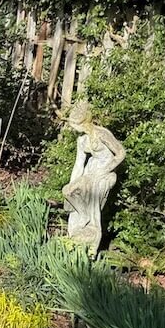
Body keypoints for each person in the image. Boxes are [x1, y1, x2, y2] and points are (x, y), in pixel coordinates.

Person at [62, 101, 126, 255]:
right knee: (67, 191)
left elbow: (121, 153)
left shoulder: (102, 134)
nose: (72, 127)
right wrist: (73, 183)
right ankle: (82, 216)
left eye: (73, 124)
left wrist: (104, 170)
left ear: (83, 122)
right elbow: (78, 165)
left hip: (104, 174)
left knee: (93, 197)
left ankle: (91, 231)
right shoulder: (82, 140)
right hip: (90, 172)